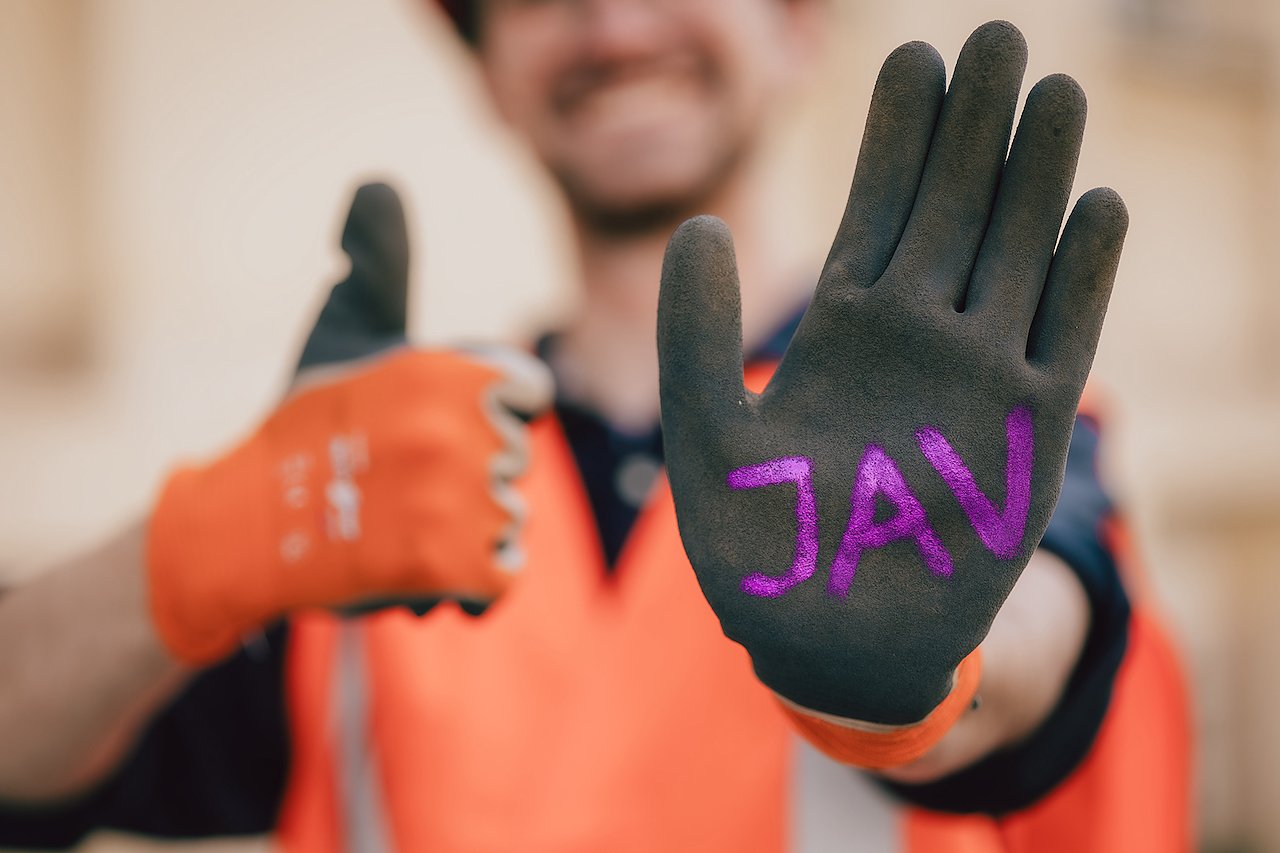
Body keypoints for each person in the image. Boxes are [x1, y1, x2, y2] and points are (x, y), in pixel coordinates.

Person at [0, 2, 1190, 850]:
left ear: (796, 25)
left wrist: (908, 678)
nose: (613, 25)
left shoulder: (992, 439)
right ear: (484, 66)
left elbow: (1038, 641)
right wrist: (212, 537)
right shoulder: (382, 474)